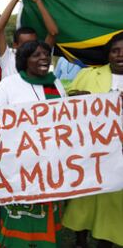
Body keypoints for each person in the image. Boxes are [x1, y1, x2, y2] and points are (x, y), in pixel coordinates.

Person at [0, 41, 66, 247]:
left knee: (46, 211)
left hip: (49, 165)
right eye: (36, 55)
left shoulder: (55, 83)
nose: (43, 58)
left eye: (46, 54)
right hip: (19, 166)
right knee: (20, 214)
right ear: (24, 60)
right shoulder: (9, 84)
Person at [62, 32, 123, 248]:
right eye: (115, 50)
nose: (120, 55)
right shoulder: (89, 74)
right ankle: (80, 241)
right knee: (84, 198)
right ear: (108, 54)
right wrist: (77, 97)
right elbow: (66, 101)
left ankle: (105, 242)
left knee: (114, 201)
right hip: (89, 150)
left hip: (119, 155)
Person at [0, 0, 58, 78]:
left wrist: (37, 0)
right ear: (15, 45)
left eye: (33, 43)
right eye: (25, 44)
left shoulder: (41, 55)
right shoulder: (8, 58)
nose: (30, 47)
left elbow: (53, 33)